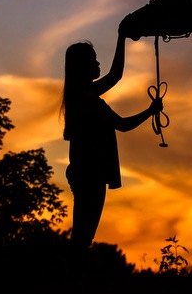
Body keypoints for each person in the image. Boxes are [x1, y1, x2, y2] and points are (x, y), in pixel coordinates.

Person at [60, 17, 162, 256]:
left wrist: (122, 37)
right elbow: (123, 125)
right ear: (83, 66)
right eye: (93, 60)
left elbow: (115, 75)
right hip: (90, 174)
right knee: (83, 238)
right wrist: (150, 111)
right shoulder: (87, 99)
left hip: (84, 173)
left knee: (82, 236)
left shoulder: (80, 95)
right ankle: (70, 280)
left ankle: (70, 279)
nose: (97, 64)